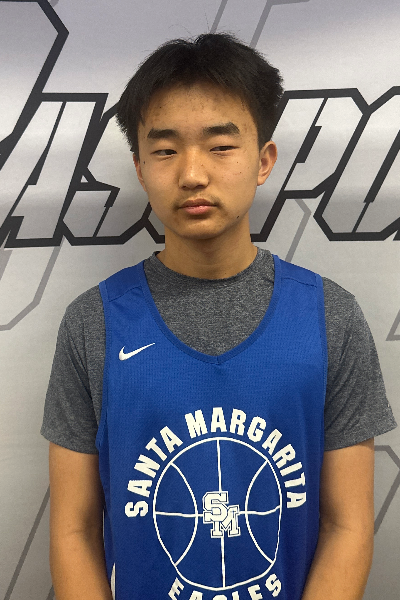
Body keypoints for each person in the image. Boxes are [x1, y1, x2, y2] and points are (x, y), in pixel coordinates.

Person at [41, 33, 396, 600]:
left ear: (263, 160)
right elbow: (74, 530)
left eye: (221, 146)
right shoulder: (93, 323)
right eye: (165, 150)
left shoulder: (331, 316)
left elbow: (346, 526)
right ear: (140, 168)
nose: (192, 174)